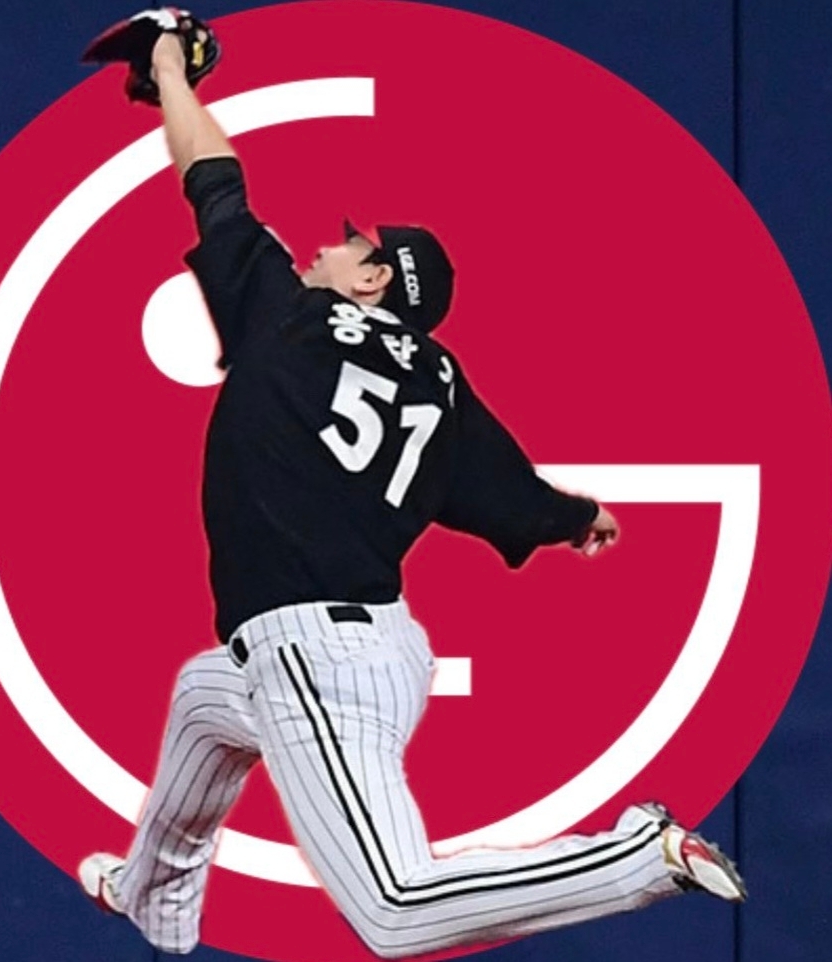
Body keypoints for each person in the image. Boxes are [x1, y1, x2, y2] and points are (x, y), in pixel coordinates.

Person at [79, 26, 746, 959]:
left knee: (393, 910)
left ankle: (638, 857)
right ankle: (154, 898)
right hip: (371, 645)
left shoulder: (290, 314)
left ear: (375, 281)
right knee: (203, 698)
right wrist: (577, 519)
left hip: (314, 654)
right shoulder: (440, 378)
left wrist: (166, 69)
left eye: (352, 245)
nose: (327, 246)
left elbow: (213, 176)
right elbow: (509, 495)